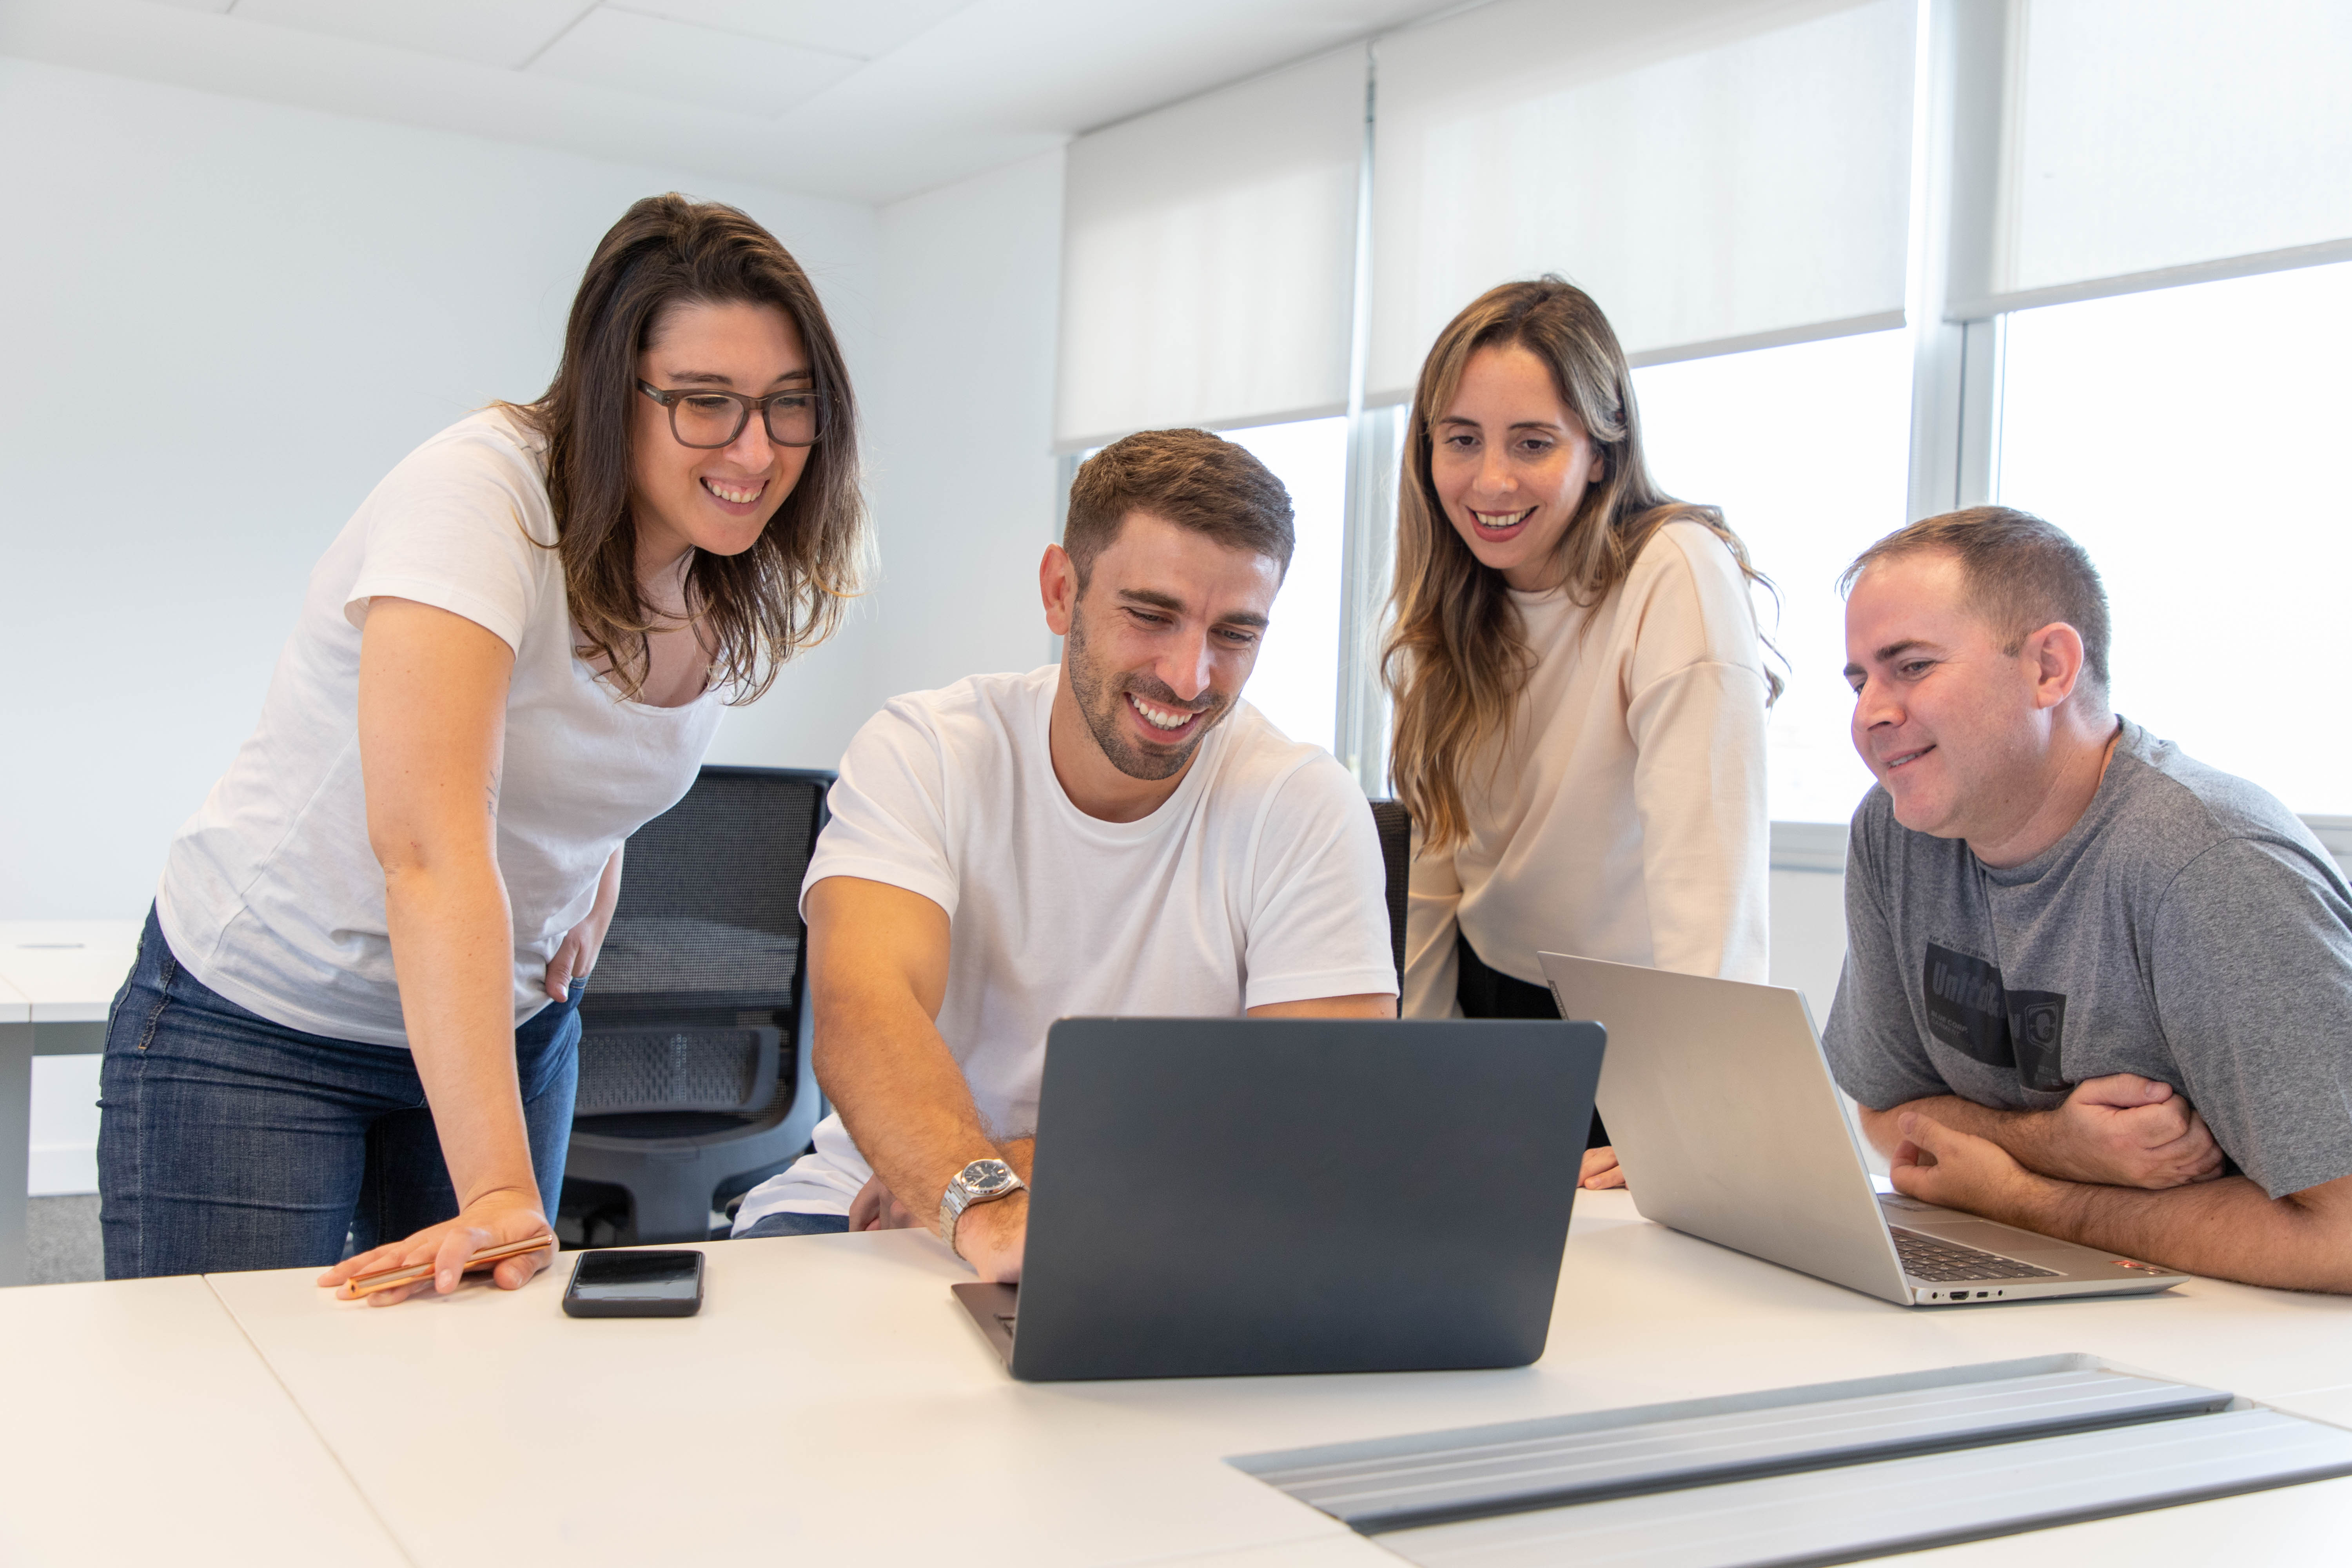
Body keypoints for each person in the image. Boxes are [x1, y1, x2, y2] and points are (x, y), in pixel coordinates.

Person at [99, 195, 867, 1304]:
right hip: (270, 1022)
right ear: (617, 392)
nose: (756, 449)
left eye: (789, 406)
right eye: (707, 403)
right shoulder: (482, 495)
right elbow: (427, 846)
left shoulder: (720, 559)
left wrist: (599, 853)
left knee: (463, 1417)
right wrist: (504, 1194)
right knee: (233, 1413)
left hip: (506, 1026)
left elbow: (581, 738)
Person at [728, 428, 1398, 1279]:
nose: (1190, 676)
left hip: (1157, 1225)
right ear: (1060, 592)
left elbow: (1321, 1118)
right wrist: (974, 1204)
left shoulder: (1302, 801)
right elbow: (865, 1017)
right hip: (873, 1208)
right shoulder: (926, 749)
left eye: (1235, 634)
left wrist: (980, 1179)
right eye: (1150, 615)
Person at [1826, 507, 2352, 1292]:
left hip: (2250, 1338)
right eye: (1861, 677)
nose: (1871, 712)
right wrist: (2062, 1145)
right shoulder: (1895, 830)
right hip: (2079, 1291)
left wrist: (2021, 1195)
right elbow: (1887, 1112)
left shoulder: (2211, 867)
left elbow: (2342, 1235)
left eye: (1912, 666)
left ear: (2050, 668)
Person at [1383, 278, 1777, 1189]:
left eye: (1533, 443)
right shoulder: (1449, 604)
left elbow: (1707, 881)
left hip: (1640, 1034)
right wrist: (1414, 1080)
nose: (1491, 480)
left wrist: (1688, 1118)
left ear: (1602, 453)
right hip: (1495, 1018)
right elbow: (1439, 873)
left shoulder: (1673, 572)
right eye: (1462, 440)